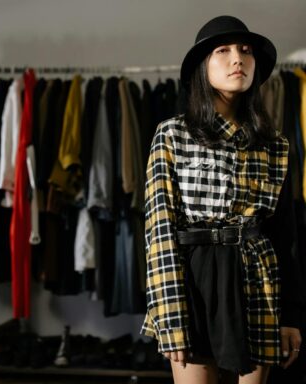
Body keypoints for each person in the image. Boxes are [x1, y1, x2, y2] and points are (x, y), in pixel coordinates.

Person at [141, 15, 302, 384]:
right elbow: (159, 231)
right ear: (203, 66)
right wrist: (170, 314)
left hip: (257, 277)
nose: (238, 59)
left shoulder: (275, 145)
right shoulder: (172, 135)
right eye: (223, 51)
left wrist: (292, 315)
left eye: (246, 51)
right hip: (194, 280)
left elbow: (287, 234)